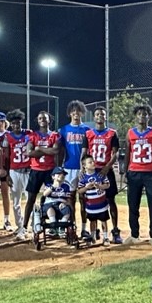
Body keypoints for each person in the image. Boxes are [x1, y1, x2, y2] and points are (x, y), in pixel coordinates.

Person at [124, 104, 152, 247]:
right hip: (134, 172)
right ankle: (134, 234)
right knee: (132, 204)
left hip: (151, 173)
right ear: (135, 116)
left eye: (145, 114)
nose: (142, 116)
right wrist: (125, 172)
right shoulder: (130, 133)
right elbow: (128, 152)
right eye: (139, 114)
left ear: (149, 116)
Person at [81, 106, 123, 244]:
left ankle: (115, 231)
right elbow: (85, 152)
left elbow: (115, 153)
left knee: (110, 200)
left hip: (105, 170)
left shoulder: (112, 133)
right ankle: (94, 230)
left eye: (102, 114)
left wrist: (107, 167)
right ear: (94, 117)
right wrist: (83, 167)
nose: (100, 116)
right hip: (92, 170)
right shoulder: (88, 134)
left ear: (105, 117)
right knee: (89, 200)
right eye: (97, 114)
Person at [21, 111, 61, 236]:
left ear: (50, 120)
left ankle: (55, 225)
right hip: (36, 170)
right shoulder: (32, 135)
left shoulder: (55, 135)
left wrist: (39, 149)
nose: (42, 120)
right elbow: (29, 153)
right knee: (31, 199)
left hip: (50, 171)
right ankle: (24, 227)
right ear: (37, 121)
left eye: (45, 118)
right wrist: (46, 151)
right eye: (40, 118)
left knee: (52, 198)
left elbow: (55, 150)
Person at [58, 100, 90, 236]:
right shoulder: (64, 130)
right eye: (73, 111)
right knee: (70, 199)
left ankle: (84, 228)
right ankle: (71, 227)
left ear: (82, 112)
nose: (75, 113)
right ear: (70, 113)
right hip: (69, 168)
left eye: (78, 110)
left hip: (83, 168)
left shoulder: (87, 130)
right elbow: (59, 151)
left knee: (84, 199)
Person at [5, 109, 31, 240]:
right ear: (10, 124)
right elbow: (6, 156)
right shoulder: (8, 137)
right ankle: (20, 226)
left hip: (27, 170)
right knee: (16, 201)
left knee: (30, 199)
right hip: (14, 171)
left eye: (18, 122)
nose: (16, 125)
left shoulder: (28, 133)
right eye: (14, 123)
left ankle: (30, 225)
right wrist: (7, 175)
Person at [77, 155, 111, 246]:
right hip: (91, 206)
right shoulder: (83, 178)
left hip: (102, 204)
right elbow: (79, 190)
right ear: (84, 166)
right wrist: (86, 187)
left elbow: (107, 185)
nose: (93, 163)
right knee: (92, 221)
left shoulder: (100, 174)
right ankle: (92, 237)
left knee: (104, 221)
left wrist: (100, 186)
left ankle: (105, 237)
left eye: (93, 161)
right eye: (90, 162)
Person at [0, 112, 13, 231]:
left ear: (5, 123)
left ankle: (6, 220)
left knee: (6, 193)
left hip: (6, 166)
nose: (0, 124)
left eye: (2, 121)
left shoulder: (9, 135)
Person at [41, 166, 73, 236]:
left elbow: (69, 199)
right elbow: (44, 194)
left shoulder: (66, 186)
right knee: (50, 209)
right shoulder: (49, 185)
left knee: (67, 210)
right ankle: (53, 227)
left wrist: (65, 203)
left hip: (61, 203)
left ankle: (61, 228)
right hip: (49, 203)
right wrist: (53, 187)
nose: (61, 176)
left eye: (63, 174)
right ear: (53, 176)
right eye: (58, 174)